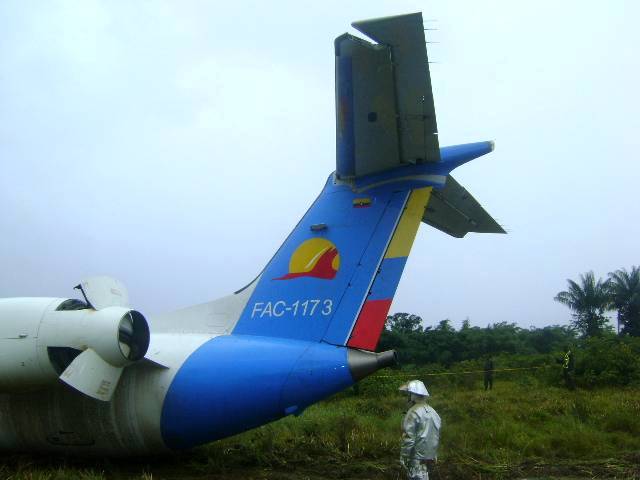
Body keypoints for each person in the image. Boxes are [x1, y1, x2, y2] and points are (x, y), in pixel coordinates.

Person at [399, 380, 441, 480]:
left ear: (413, 395)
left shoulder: (413, 412)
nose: (407, 397)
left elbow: (408, 438)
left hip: (416, 459)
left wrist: (404, 456)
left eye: (409, 394)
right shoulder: (433, 412)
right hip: (430, 458)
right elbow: (436, 435)